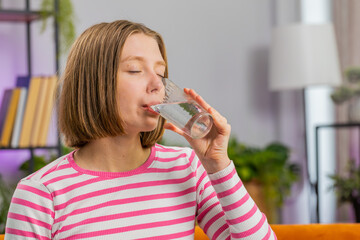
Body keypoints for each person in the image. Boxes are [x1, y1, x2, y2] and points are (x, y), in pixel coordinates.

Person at [5, 20, 276, 239]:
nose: (157, 84)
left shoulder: (186, 168)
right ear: (94, 84)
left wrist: (219, 165)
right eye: (135, 70)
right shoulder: (41, 193)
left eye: (160, 72)